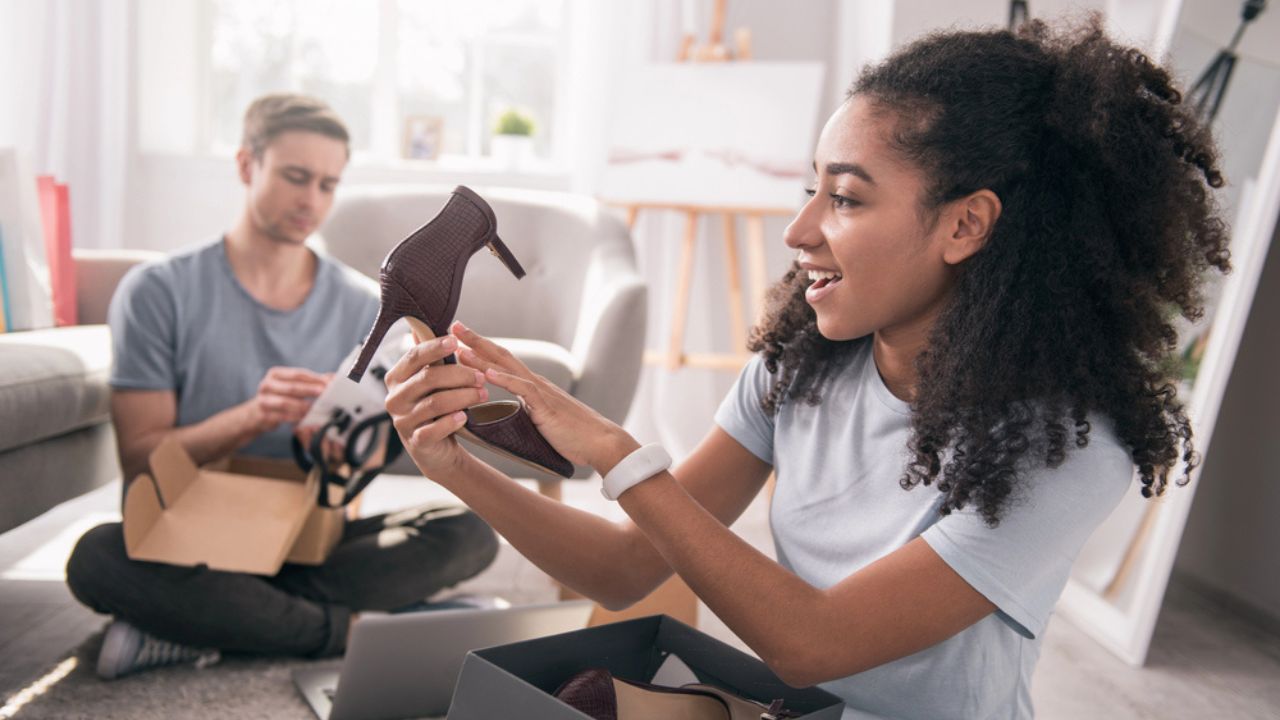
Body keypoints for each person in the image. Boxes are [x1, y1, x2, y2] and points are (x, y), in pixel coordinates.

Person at [381, 18, 1229, 719]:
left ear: (966, 225)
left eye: (848, 198)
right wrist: (451, 464)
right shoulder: (800, 369)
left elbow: (813, 641)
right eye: (810, 189)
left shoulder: (1067, 445)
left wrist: (617, 452)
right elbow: (623, 568)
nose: (800, 229)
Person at [65, 94, 498, 680]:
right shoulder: (157, 291)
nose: (311, 201)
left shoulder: (362, 305)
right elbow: (140, 459)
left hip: (305, 540)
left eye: (327, 184)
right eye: (296, 177)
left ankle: (197, 626)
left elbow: (355, 471)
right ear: (247, 166)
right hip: (188, 535)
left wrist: (354, 438)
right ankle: (348, 631)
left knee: (466, 532)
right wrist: (251, 417)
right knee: (96, 558)